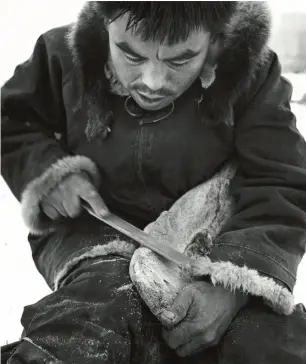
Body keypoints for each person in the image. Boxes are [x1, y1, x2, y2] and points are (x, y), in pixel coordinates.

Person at [1, 2, 306, 363]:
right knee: (88, 318)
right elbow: (13, 124)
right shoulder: (59, 54)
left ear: (217, 37)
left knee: (266, 342)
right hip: (94, 235)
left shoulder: (251, 72)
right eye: (130, 55)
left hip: (216, 243)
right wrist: (51, 174)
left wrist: (233, 286)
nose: (152, 82)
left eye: (179, 60)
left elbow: (279, 180)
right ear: (104, 24)